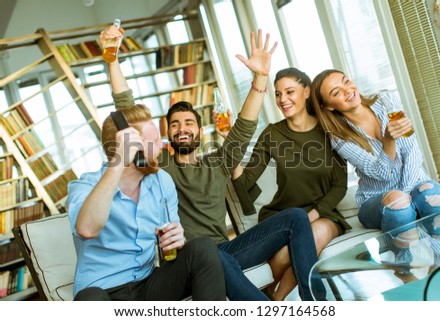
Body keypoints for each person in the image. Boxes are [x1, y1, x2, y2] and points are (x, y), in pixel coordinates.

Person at [101, 26, 325, 301]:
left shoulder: (217, 162)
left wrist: (261, 77)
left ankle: (316, 300)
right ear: (167, 134)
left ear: (199, 131)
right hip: (190, 260)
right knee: (209, 252)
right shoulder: (160, 166)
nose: (182, 128)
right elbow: (127, 109)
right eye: (175, 125)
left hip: (227, 250)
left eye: (189, 123)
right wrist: (112, 60)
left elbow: (243, 127)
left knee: (296, 217)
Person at [67, 104, 226, 300]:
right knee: (90, 299)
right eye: (156, 141)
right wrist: (119, 162)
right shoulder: (84, 186)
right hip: (104, 293)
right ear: (133, 149)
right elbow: (87, 229)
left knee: (203, 247)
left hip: (149, 285)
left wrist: (178, 241)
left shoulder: (161, 181)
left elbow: (172, 246)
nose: (162, 146)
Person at [231, 67, 349, 300]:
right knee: (289, 248)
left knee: (312, 234)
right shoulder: (272, 134)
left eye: (289, 92)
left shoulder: (329, 128)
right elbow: (244, 184)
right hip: (282, 217)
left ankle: (275, 299)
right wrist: (231, 146)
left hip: (322, 215)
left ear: (306, 92)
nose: (282, 99)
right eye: (277, 94)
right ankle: (262, 297)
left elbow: (340, 185)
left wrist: (313, 215)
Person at [310, 69, 440, 266]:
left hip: (411, 185)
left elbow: (413, 152)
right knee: (397, 202)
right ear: (329, 106)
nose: (347, 90)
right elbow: (381, 173)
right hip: (374, 201)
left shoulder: (386, 101)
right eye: (336, 93)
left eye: (346, 81)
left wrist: (406, 194)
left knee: (434, 193)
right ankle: (405, 262)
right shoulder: (339, 138)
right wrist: (389, 140)